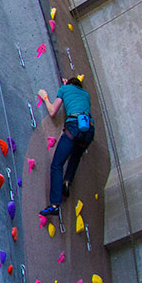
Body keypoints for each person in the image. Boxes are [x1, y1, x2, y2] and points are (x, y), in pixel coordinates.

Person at [37, 76, 94, 218]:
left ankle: (55, 205)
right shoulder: (85, 94)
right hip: (89, 130)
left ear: (68, 84)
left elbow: (52, 111)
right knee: (76, 155)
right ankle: (67, 182)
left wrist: (44, 97)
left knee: (57, 164)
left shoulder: (65, 89)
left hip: (74, 127)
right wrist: (68, 83)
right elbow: (76, 93)